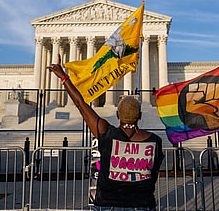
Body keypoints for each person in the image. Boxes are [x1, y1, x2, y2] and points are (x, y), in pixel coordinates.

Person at [48, 55, 164, 211]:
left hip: (107, 204)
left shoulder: (106, 133)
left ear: (117, 115)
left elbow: (80, 104)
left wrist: (64, 77)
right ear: (141, 115)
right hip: (142, 203)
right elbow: (153, 175)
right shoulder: (154, 141)